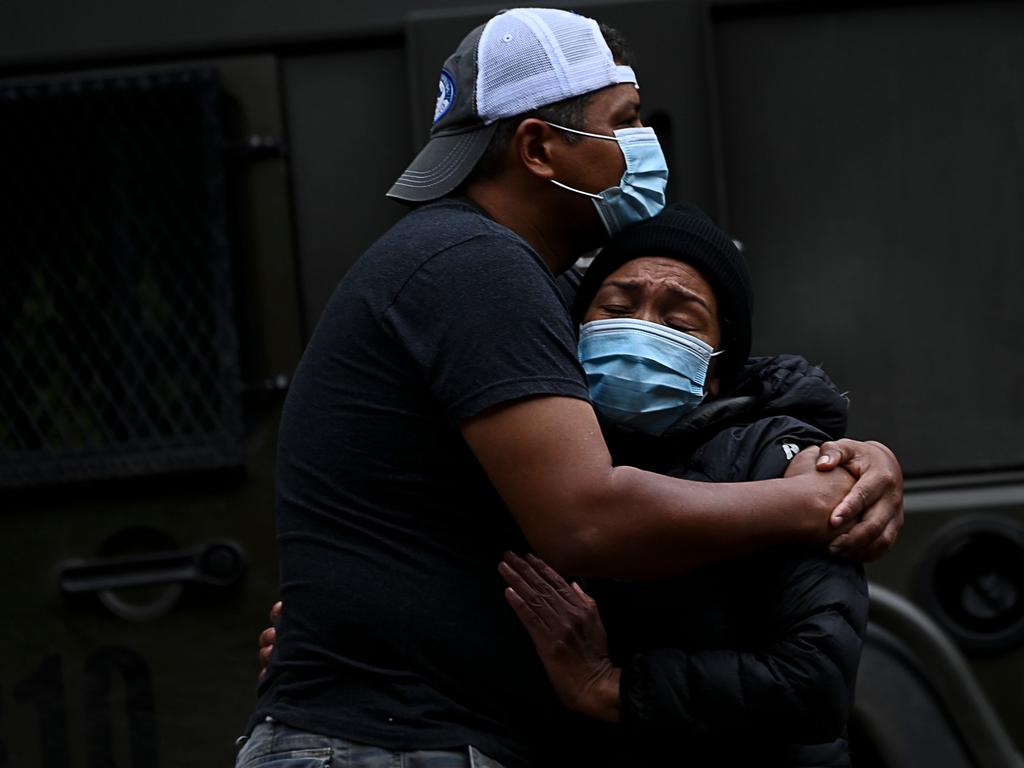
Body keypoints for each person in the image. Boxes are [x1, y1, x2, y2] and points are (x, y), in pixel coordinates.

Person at [235, 9, 902, 768]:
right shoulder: (476, 265)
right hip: (390, 744)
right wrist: (817, 501)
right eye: (624, 121)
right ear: (539, 147)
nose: (643, 144)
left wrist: (860, 453)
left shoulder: (484, 268)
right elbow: (585, 519)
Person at [498, 203, 867, 767]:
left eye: (680, 323)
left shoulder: (786, 464)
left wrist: (610, 687)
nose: (641, 329)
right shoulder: (536, 459)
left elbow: (814, 683)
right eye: (617, 308)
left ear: (718, 366)